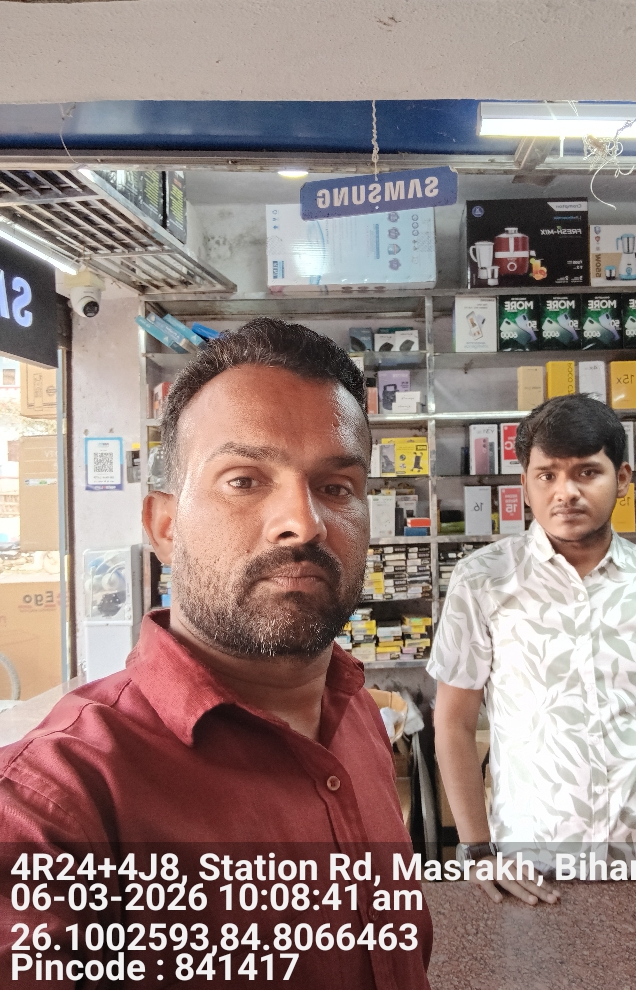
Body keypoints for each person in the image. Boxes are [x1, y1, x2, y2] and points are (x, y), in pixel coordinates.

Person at [0, 318, 431, 989]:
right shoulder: (55, 800)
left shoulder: (358, 716)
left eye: (337, 487)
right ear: (165, 527)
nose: (303, 522)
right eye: (244, 480)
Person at [430, 394, 636, 921]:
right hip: (532, 867)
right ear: (525, 483)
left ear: (623, 477)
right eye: (547, 475)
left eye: (587, 472)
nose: (565, 492)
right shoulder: (484, 581)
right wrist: (477, 850)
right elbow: (453, 723)